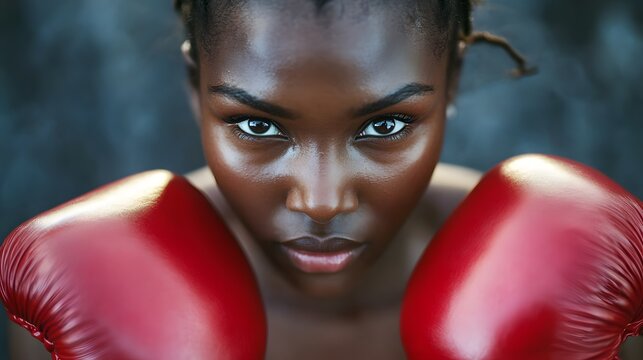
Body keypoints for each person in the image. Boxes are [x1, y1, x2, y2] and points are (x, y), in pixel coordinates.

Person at [7, 0, 642, 358]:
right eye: (258, 127)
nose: (320, 200)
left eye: (385, 126)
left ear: (451, 81)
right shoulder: (87, 283)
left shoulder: (569, 277)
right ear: (195, 90)